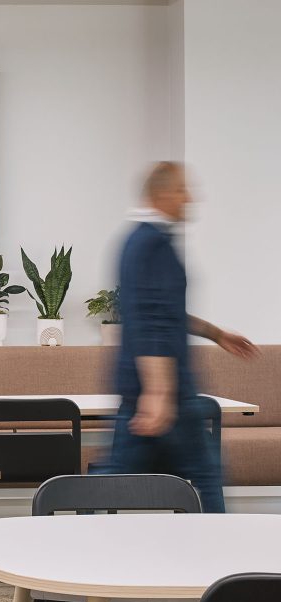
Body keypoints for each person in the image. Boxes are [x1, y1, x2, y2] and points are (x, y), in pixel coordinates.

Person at [103, 162, 258, 513]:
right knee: (205, 476)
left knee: (116, 482)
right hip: (167, 394)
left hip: (143, 390)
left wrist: (216, 334)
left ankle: (97, 556)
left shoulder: (135, 240)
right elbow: (152, 320)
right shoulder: (153, 244)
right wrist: (159, 392)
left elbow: (165, 312)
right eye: (182, 190)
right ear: (162, 194)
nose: (190, 198)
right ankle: (218, 557)